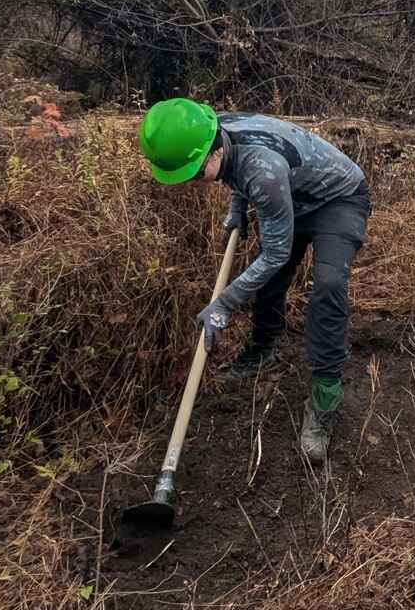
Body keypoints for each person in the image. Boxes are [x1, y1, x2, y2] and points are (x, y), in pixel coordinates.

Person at [139, 98, 370, 464]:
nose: (196, 183)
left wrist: (224, 304)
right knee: (268, 279)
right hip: (289, 192)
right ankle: (263, 349)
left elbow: (272, 240)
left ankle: (325, 398)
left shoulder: (261, 172)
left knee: (327, 286)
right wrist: (235, 211)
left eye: (197, 174)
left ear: (213, 151)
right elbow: (237, 171)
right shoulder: (215, 129)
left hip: (337, 198)